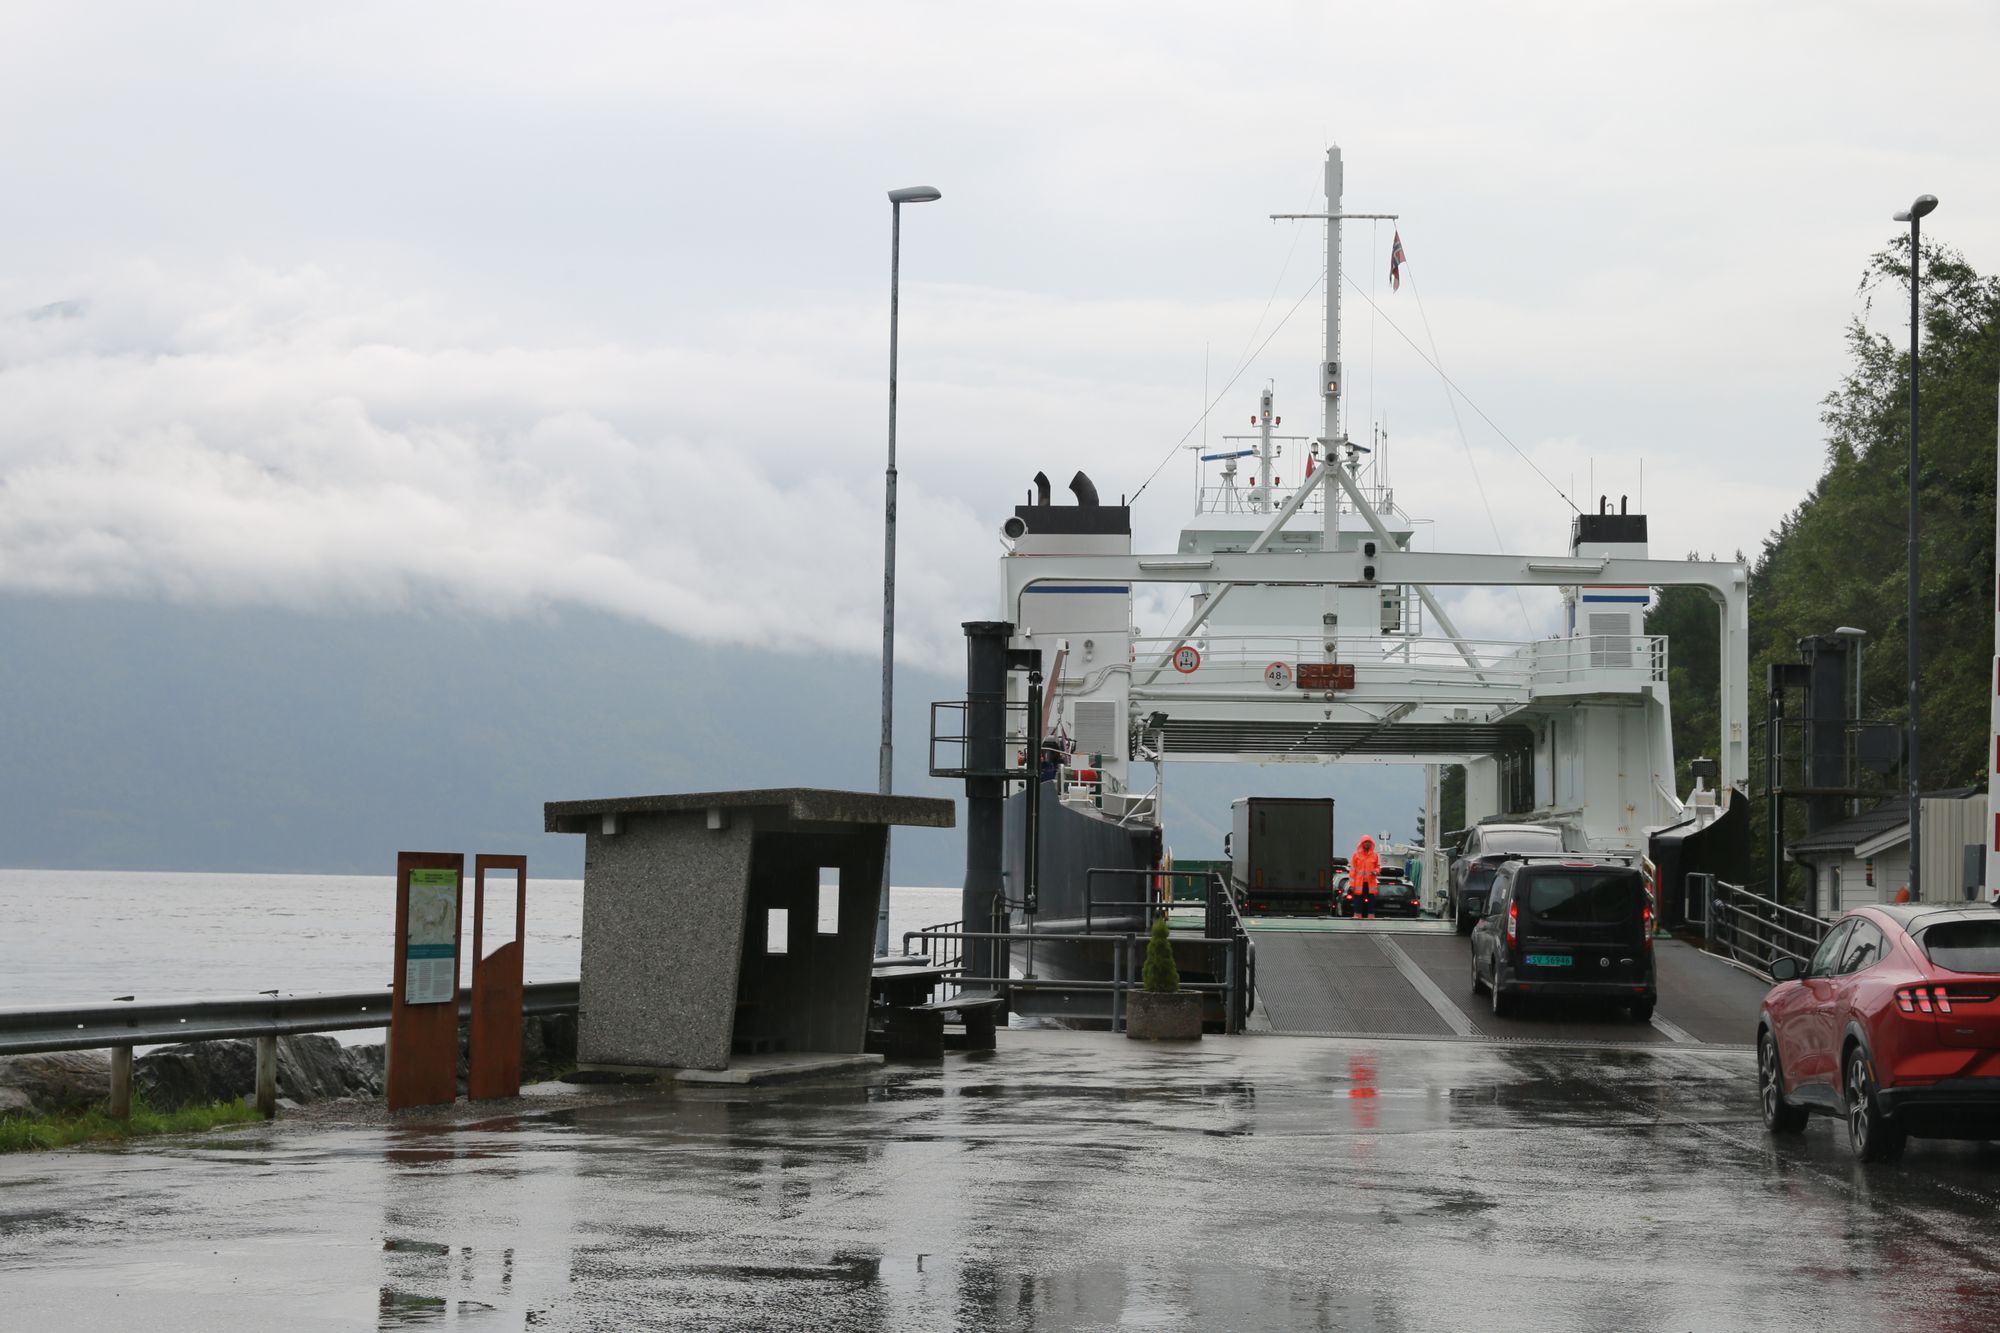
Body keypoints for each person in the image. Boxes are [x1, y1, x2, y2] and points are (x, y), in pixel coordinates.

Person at [1350, 836, 1381, 919]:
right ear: (1362, 843)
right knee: (1358, 899)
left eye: (1368, 842)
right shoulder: (1356, 855)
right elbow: (1352, 871)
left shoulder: (1375, 855)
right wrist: (1352, 885)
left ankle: (1371, 915)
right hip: (1359, 883)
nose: (1367, 843)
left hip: (1371, 883)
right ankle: (1357, 915)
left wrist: (1376, 871)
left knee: (1372, 900)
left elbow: (1378, 867)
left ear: (1371, 844)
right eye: (1365, 842)